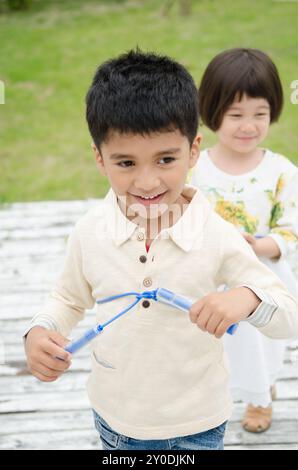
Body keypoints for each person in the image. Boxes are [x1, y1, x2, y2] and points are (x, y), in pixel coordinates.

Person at [24, 49, 298, 450]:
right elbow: (67, 297)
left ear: (193, 151)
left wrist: (247, 298)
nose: (148, 181)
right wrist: (41, 330)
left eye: (166, 159)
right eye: (126, 163)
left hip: (199, 424)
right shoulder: (90, 232)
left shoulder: (215, 234)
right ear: (99, 159)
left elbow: (287, 314)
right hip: (115, 420)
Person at [191, 48, 298, 433]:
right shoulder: (195, 167)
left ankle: (259, 394)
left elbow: (291, 229)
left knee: (258, 344)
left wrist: (260, 246)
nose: (248, 125)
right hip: (209, 274)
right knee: (211, 342)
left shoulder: (281, 172)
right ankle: (213, 395)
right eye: (236, 115)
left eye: (260, 114)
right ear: (212, 111)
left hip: (261, 276)